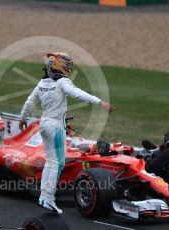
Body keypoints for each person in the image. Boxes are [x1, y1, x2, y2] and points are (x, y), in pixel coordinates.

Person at [19, 52, 115, 213]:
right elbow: (78, 94)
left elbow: (29, 101)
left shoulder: (42, 83)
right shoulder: (63, 82)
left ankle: (44, 197)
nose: (69, 67)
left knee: (51, 162)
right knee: (57, 163)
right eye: (67, 64)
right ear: (60, 66)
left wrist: (23, 118)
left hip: (44, 124)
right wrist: (99, 101)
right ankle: (49, 198)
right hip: (56, 127)